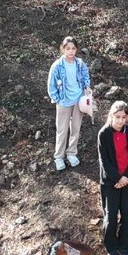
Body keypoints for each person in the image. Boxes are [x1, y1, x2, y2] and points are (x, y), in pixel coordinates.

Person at [97, 101, 128, 255]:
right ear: (111, 116)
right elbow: (104, 160)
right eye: (117, 117)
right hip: (111, 182)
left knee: (127, 215)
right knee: (111, 215)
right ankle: (111, 248)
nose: (120, 120)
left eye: (123, 117)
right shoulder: (104, 133)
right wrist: (117, 178)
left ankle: (124, 247)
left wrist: (126, 177)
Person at [46, 36, 92, 170]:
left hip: (79, 100)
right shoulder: (57, 65)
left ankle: (71, 153)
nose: (71, 51)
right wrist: (57, 99)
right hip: (64, 101)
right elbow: (51, 84)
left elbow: (85, 76)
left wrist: (86, 86)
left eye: (73, 48)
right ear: (63, 49)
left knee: (75, 128)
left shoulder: (80, 63)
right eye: (68, 49)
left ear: (76, 49)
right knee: (62, 130)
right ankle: (59, 157)